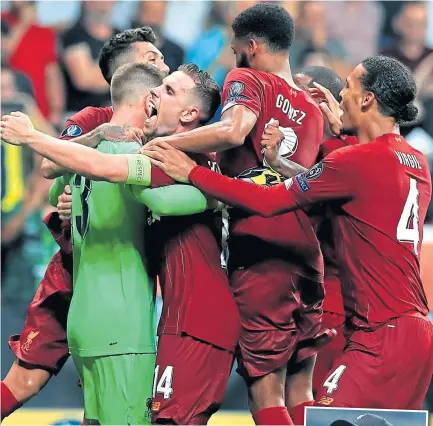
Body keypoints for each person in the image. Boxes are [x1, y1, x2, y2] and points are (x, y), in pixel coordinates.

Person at [145, 55, 433, 410]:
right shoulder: (416, 161)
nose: (339, 97)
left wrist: (192, 172)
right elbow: (350, 191)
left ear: (367, 99)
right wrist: (301, 154)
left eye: (348, 88)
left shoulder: (356, 161)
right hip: (416, 331)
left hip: (379, 334)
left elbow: (268, 202)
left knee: (318, 416)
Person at [1, 63, 240, 425]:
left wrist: (212, 192)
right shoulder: (148, 154)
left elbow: (57, 181)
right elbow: (144, 194)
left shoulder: (170, 157)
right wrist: (214, 194)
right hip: (124, 325)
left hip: (93, 316)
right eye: (161, 84)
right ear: (147, 99)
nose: (161, 90)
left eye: (170, 89)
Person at [143, 4, 328, 425]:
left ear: (252, 45)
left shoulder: (247, 79)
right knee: (299, 387)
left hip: (261, 253)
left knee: (265, 392)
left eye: (233, 48)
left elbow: (232, 131)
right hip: (307, 256)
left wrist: (170, 147)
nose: (231, 55)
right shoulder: (312, 109)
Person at [0, 26, 169, 421]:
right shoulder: (96, 118)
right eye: (152, 58)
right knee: (26, 380)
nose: (162, 63)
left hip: (129, 276)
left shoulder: (164, 124)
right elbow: (49, 165)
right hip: (79, 272)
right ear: (124, 72)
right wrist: (95, 138)